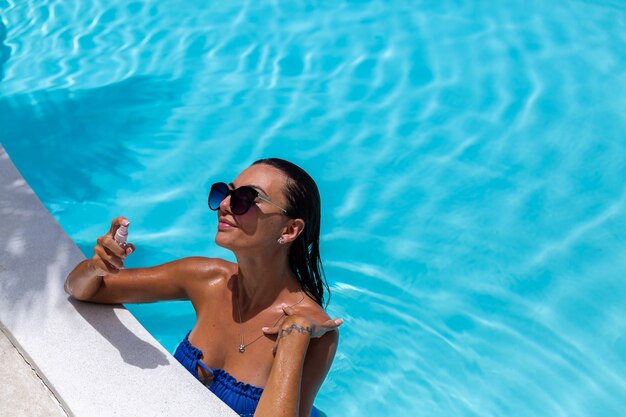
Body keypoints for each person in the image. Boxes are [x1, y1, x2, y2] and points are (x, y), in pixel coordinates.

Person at [64, 158, 342, 417]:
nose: (225, 204)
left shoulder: (317, 331)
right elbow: (81, 289)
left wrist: (295, 335)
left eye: (246, 198)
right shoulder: (207, 279)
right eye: (226, 192)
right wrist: (97, 267)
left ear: (289, 230)